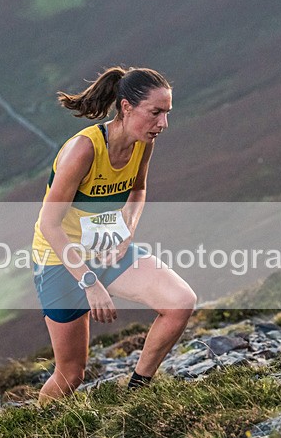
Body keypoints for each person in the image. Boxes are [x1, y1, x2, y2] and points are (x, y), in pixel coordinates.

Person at [32, 66, 197, 403]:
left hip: (106, 250)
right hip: (60, 259)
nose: (162, 124)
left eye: (166, 113)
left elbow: (138, 190)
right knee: (71, 374)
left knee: (180, 303)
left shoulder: (142, 143)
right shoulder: (84, 150)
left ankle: (137, 393)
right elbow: (49, 224)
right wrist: (89, 282)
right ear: (126, 107)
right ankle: (34, 430)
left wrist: (126, 232)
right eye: (155, 113)